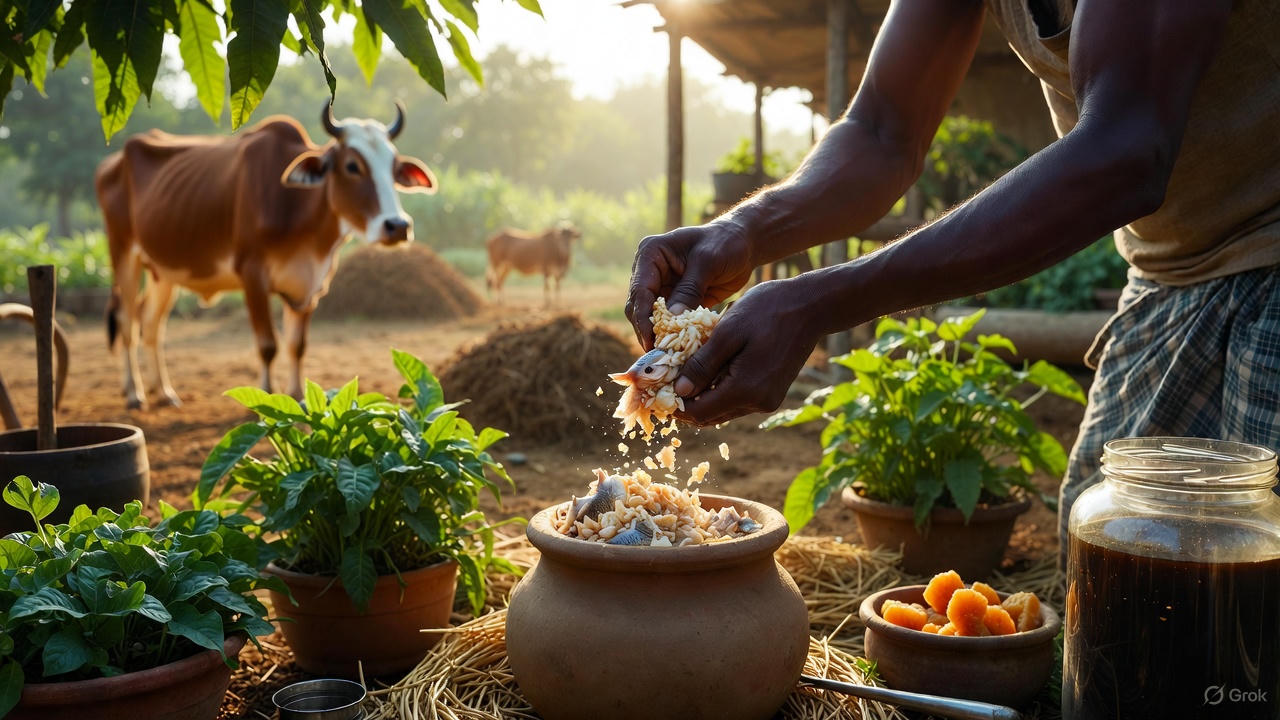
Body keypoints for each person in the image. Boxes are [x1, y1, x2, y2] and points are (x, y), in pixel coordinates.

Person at [625, 0, 1280, 543]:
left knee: (1245, 595)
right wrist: (745, 228)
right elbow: (883, 130)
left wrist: (817, 304)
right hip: (1170, 273)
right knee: (1117, 572)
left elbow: (1126, 151)